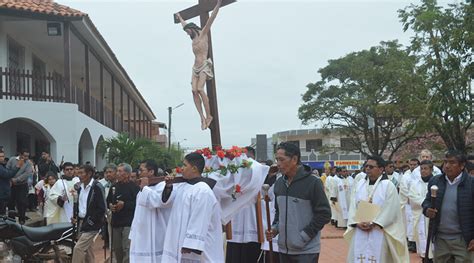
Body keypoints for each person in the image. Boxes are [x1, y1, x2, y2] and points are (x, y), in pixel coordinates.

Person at [266, 142, 331, 262]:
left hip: (306, 252)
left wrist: (303, 236)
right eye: (277, 159)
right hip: (283, 250)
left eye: (282, 159)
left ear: (294, 159)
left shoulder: (313, 182)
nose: (278, 164)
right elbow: (278, 213)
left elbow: (324, 214)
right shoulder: (279, 184)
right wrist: (275, 228)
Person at [160, 152, 223, 262]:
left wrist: (191, 244)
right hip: (179, 244)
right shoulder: (183, 186)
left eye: (184, 165)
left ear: (194, 168)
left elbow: (200, 219)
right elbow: (167, 202)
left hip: (196, 250)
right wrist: (169, 186)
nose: (181, 168)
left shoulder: (203, 190)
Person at [344, 155, 409, 262]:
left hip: (379, 230)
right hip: (360, 228)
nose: (367, 168)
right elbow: (353, 206)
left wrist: (374, 223)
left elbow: (391, 209)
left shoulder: (388, 186)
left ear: (381, 169)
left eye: (371, 166)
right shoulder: (360, 184)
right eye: (366, 166)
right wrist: (356, 222)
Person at [175, 0, 222, 130]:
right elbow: (184, 24)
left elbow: (211, 19)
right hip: (195, 67)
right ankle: (201, 118)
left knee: (200, 89)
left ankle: (209, 116)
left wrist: (218, 5)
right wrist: (180, 18)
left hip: (204, 66)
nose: (186, 33)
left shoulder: (202, 34)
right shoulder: (194, 39)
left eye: (187, 31)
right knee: (194, 91)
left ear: (192, 28)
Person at [423, 150, 474, 262]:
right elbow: (426, 202)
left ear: (462, 165)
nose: (447, 166)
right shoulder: (436, 181)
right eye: (445, 162)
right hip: (440, 239)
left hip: (463, 239)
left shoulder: (471, 184)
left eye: (452, 162)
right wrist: (427, 210)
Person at [130, 159, 183, 262]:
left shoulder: (162, 186)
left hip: (156, 234)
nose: (138, 173)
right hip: (141, 235)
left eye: (141, 170)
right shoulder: (142, 190)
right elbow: (137, 214)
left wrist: (145, 187)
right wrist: (133, 232)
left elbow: (160, 201)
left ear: (151, 172)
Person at [226, 146, 262, 263]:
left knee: (250, 252)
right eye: (245, 159)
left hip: (253, 218)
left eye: (250, 159)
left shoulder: (259, 172)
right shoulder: (234, 173)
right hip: (236, 219)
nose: (248, 163)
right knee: (235, 252)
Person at [71, 164, 106, 263]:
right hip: (81, 222)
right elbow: (80, 205)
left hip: (92, 224)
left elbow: (102, 208)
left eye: (82, 173)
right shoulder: (80, 187)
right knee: (88, 251)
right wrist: (76, 217)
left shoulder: (97, 187)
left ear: (89, 173)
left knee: (78, 248)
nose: (79, 175)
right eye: (78, 173)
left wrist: (92, 221)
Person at [106, 163, 140, 263]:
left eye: (120, 171)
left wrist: (124, 204)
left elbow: (137, 204)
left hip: (128, 223)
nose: (117, 173)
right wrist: (111, 206)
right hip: (116, 222)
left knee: (127, 249)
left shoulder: (134, 187)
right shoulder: (114, 187)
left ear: (127, 174)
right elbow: (108, 201)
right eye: (117, 171)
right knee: (117, 249)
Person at [409, 160, 435, 262]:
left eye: (426, 169)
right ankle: (425, 258)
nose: (423, 171)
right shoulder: (415, 183)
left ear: (431, 170)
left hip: (432, 215)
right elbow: (412, 196)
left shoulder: (436, 182)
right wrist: (425, 203)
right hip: (420, 214)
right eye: (421, 169)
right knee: (422, 237)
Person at [6, 149, 33, 224]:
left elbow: (27, 174)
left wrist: (16, 180)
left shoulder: (28, 163)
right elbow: (7, 169)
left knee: (22, 202)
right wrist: (10, 179)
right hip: (11, 185)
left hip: (22, 185)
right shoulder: (12, 160)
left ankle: (22, 219)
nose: (26, 157)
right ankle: (11, 220)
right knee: (11, 202)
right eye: (25, 156)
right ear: (20, 155)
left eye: (28, 156)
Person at [0, 150, 23, 216]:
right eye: (0, 156)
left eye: (3, 156)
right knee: (2, 215)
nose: (2, 158)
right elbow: (7, 174)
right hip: (1, 195)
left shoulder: (2, 165)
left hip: (4, 194)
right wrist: (17, 167)